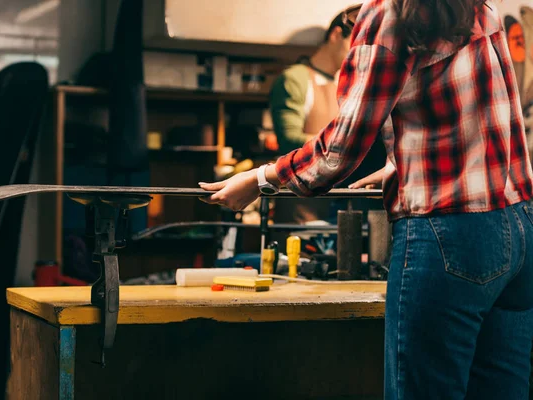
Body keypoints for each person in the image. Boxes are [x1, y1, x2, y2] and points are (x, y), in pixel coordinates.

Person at [199, 0, 533, 398]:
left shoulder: (391, 15)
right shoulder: (478, 7)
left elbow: (337, 151)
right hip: (520, 231)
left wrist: (261, 179)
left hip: (450, 237)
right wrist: (402, 165)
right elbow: (481, 122)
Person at [269, 2, 387, 224]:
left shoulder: (348, 82)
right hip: (302, 205)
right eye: (355, 41)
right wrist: (341, 146)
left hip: (338, 200)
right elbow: (289, 139)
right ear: (336, 35)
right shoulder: (295, 79)